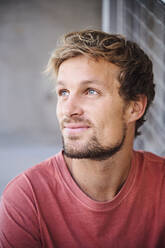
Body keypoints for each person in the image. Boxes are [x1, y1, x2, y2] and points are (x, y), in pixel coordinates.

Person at [0, 29, 165, 248]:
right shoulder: (26, 200)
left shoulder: (161, 185)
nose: (68, 110)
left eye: (90, 91)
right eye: (63, 92)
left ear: (134, 108)